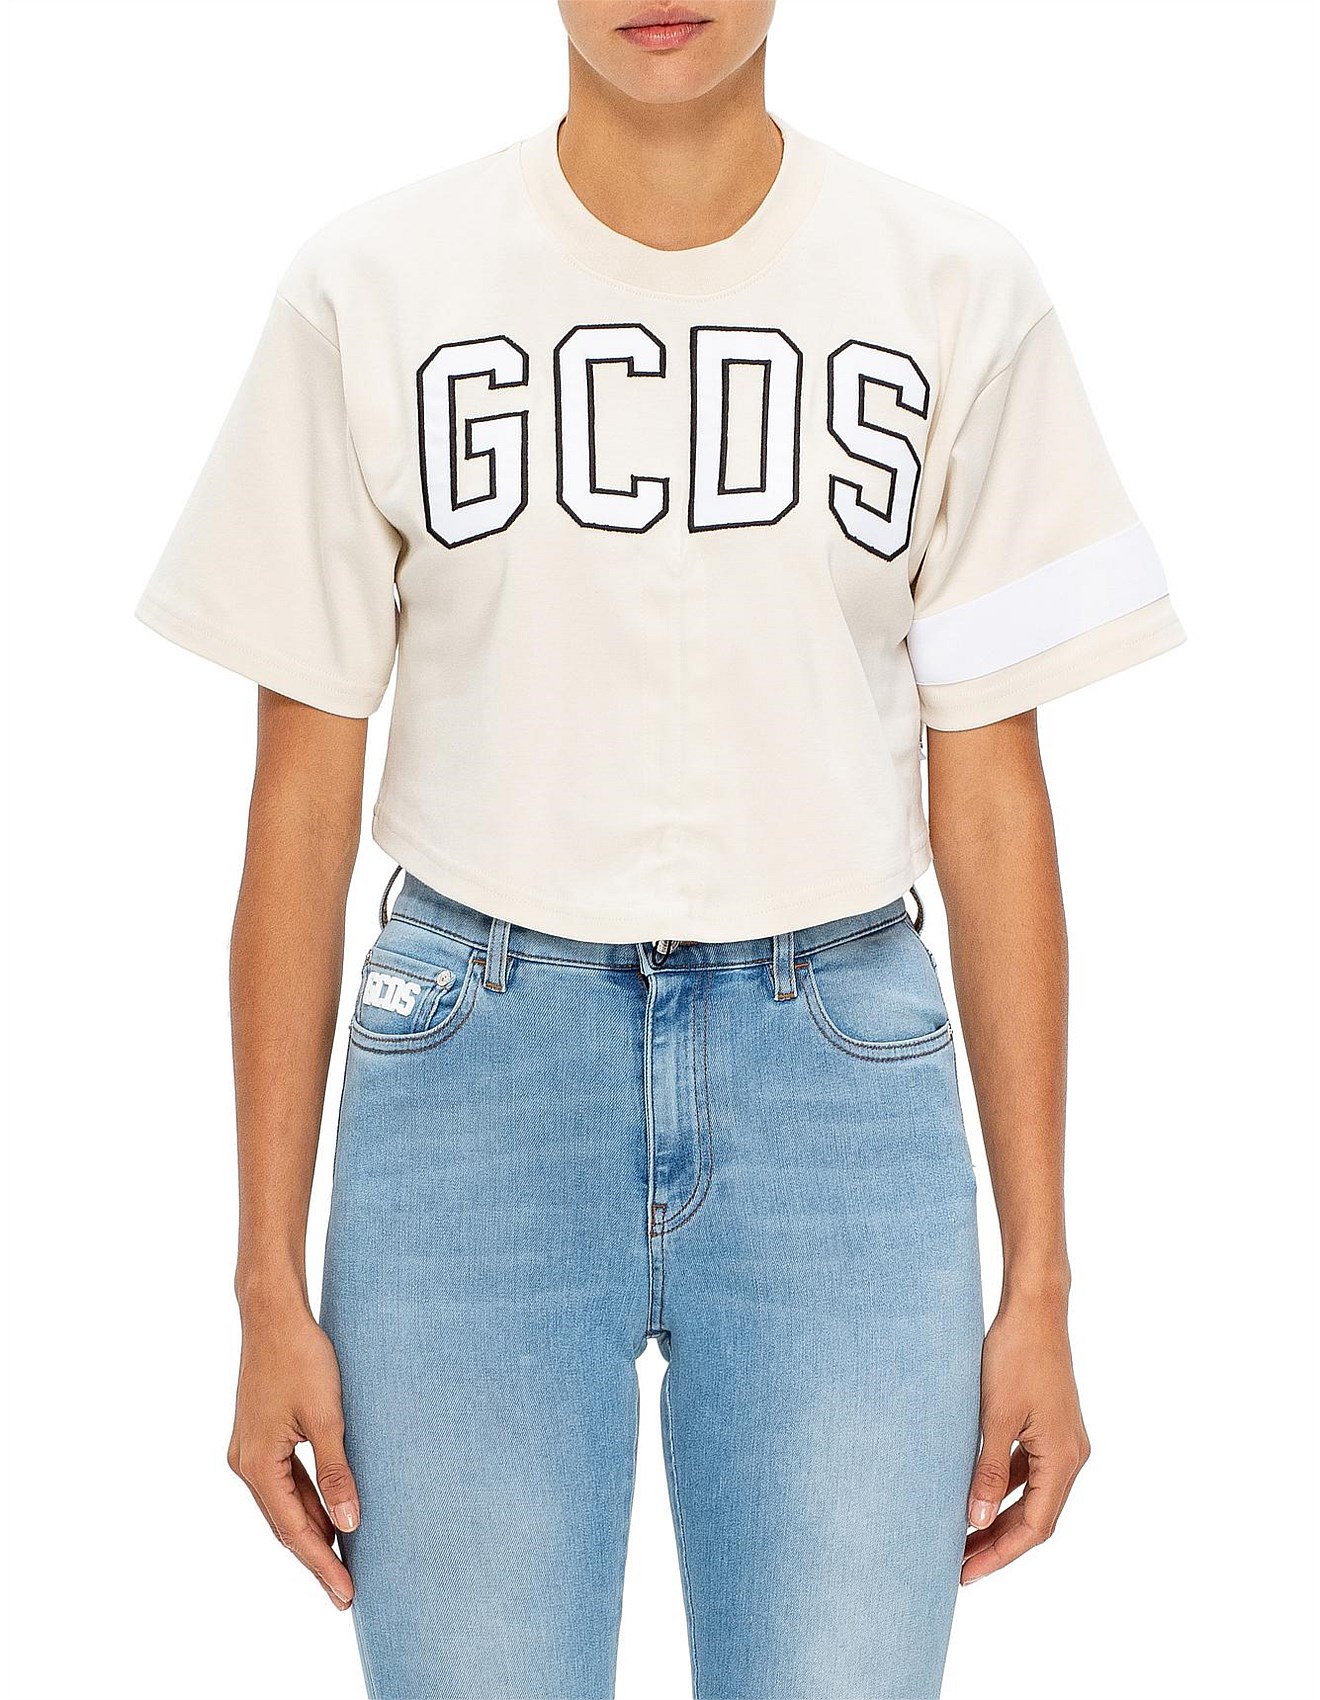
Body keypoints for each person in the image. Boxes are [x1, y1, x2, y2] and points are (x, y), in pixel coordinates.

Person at [135, 2, 1185, 1696]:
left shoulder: (953, 286)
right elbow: (299, 807)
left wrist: (1045, 1282)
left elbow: (995, 800)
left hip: (841, 1087)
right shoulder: (373, 285)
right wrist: (264, 1281)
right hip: (469, 1080)